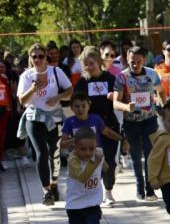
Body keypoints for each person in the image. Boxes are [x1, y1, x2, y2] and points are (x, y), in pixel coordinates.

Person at [17, 43, 73, 205]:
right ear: (30, 58)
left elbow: (70, 92)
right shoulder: (26, 76)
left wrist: (57, 98)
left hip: (54, 119)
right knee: (41, 153)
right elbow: (22, 100)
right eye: (34, 56)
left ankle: (54, 184)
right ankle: (46, 191)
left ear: (46, 57)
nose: (37, 59)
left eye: (41, 56)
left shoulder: (56, 71)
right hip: (34, 117)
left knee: (54, 154)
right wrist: (33, 89)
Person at [113, 46, 166, 201]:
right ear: (127, 60)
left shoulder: (152, 74)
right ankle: (139, 189)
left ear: (144, 60)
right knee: (136, 157)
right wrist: (126, 107)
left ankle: (150, 190)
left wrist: (163, 106)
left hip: (149, 120)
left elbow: (161, 91)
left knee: (150, 155)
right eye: (132, 62)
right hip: (131, 122)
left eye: (138, 61)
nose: (135, 65)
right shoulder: (121, 77)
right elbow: (115, 103)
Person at [75, 47, 122, 205]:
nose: (89, 67)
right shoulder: (82, 82)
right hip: (90, 127)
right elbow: (76, 103)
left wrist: (114, 97)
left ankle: (108, 191)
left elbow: (120, 97)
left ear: (99, 62)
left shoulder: (110, 78)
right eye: (86, 64)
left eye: (92, 63)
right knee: (92, 160)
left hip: (109, 123)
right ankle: (94, 192)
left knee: (110, 160)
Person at [65, 127, 107, 224]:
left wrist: (105, 165)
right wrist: (94, 164)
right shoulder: (73, 160)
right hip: (74, 207)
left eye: (92, 148)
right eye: (83, 149)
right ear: (75, 147)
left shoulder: (97, 154)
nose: (88, 153)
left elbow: (105, 166)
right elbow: (82, 177)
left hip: (92, 205)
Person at [0, 61, 13, 171]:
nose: (0, 69)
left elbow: (8, 95)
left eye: (2, 67)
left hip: (3, 111)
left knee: (1, 136)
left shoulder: (5, 79)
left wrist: (9, 109)